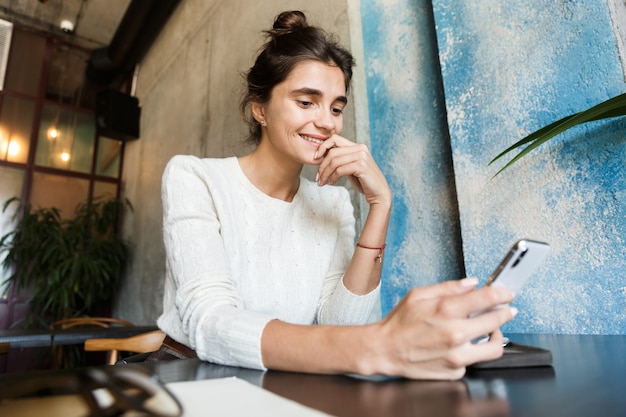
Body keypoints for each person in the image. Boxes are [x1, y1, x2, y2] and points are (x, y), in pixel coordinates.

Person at [153, 10, 516, 380]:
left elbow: (341, 321)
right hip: (191, 375)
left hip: (285, 377)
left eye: (336, 107)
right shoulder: (194, 177)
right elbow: (210, 322)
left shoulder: (333, 201)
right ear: (259, 108)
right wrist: (376, 346)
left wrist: (380, 205)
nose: (327, 122)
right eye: (306, 102)